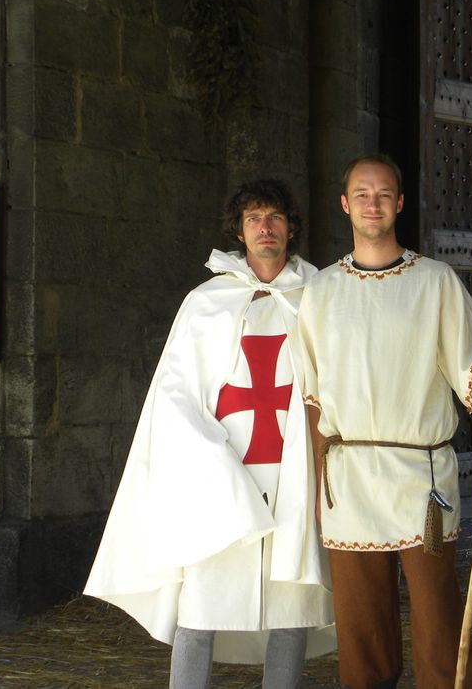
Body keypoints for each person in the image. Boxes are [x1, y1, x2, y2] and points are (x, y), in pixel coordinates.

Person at [85, 179, 334, 689]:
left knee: (291, 605)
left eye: (275, 217)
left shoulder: (320, 296)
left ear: (291, 228)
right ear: (239, 232)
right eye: (253, 218)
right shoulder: (206, 302)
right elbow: (175, 394)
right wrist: (214, 466)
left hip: (295, 470)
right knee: (199, 608)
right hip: (220, 473)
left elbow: (339, 382)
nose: (265, 227)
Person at [297, 154, 472, 689]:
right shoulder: (321, 292)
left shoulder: (435, 282)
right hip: (349, 480)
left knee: (438, 620)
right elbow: (311, 397)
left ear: (399, 203)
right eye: (362, 194)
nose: (373, 203)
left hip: (420, 479)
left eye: (383, 194)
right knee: (361, 627)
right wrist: (316, 483)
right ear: (345, 204)